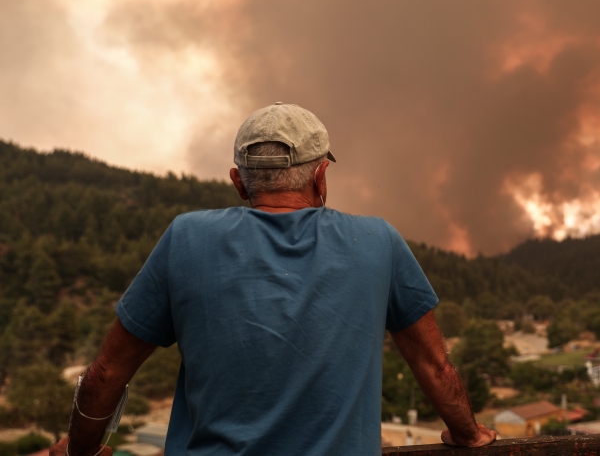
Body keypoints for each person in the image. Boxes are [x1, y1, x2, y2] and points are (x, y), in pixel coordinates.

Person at [51, 103, 496, 456]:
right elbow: (434, 366)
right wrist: (469, 434)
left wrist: (81, 450)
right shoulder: (377, 241)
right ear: (321, 177)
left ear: (239, 183)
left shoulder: (187, 238)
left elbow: (107, 372)